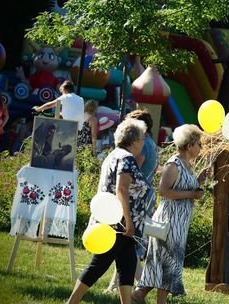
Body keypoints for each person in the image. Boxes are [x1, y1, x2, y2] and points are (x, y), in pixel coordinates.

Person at [67, 118, 149, 304]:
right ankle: (71, 302)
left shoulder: (114, 155)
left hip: (117, 222)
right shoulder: (127, 158)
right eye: (142, 138)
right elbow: (121, 189)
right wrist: (128, 221)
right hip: (119, 223)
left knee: (127, 265)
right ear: (134, 140)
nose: (144, 142)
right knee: (99, 265)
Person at [132, 124, 210, 304]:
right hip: (169, 221)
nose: (201, 147)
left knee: (161, 264)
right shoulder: (174, 165)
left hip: (179, 222)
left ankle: (137, 296)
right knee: (168, 264)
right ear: (189, 145)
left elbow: (183, 187)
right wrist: (192, 194)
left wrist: (199, 180)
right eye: (199, 143)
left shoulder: (188, 165)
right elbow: (163, 191)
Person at [105, 108, 159, 293]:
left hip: (135, 198)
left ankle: (142, 284)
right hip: (145, 196)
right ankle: (119, 285)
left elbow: (135, 169)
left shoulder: (140, 146)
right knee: (126, 244)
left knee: (126, 241)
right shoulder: (151, 142)